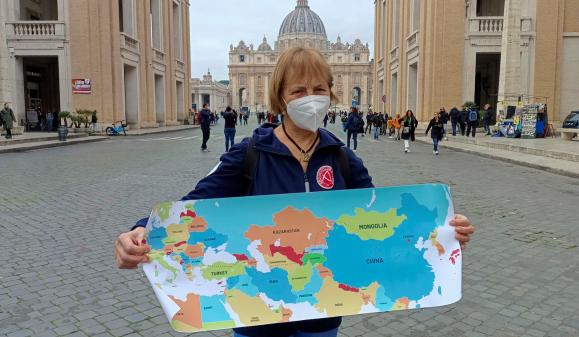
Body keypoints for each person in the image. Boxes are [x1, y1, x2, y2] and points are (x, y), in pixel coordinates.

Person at [114, 47, 475, 337]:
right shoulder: (248, 156)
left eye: (319, 89)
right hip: (256, 313)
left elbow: (384, 223)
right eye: (299, 91)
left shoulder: (345, 161)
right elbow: (194, 203)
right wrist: (143, 229)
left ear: (331, 93)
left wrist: (442, 232)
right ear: (280, 97)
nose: (311, 99)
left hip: (321, 317)